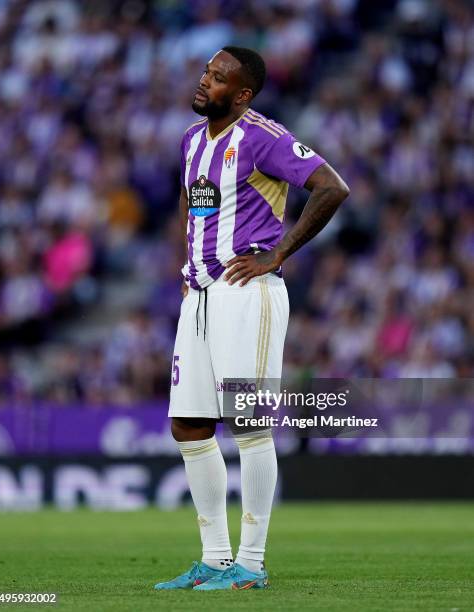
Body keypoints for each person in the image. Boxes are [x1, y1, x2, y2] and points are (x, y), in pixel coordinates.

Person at [154, 46, 349, 591]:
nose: (204, 81)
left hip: (249, 292)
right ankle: (214, 559)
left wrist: (278, 254)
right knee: (189, 425)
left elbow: (332, 187)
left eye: (218, 78)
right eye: (205, 71)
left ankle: (252, 565)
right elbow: (201, 211)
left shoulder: (263, 136)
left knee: (250, 424)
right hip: (200, 295)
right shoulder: (193, 141)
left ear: (241, 95)